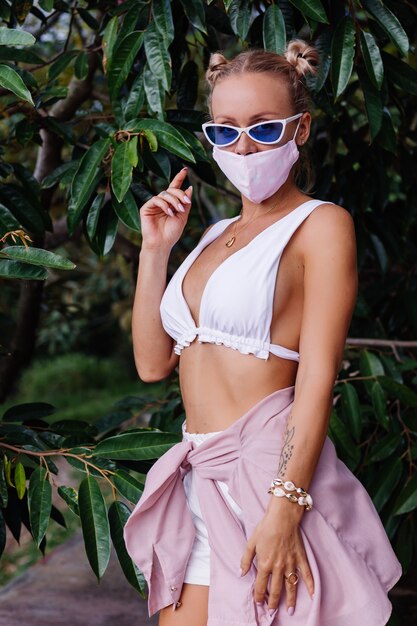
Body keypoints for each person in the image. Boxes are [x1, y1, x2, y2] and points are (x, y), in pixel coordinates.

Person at [123, 40, 402, 626]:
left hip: (267, 482)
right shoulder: (209, 234)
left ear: (300, 130)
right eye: (225, 131)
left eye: (263, 127)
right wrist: (156, 252)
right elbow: (153, 364)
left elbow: (317, 377)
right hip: (197, 479)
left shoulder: (322, 225)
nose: (243, 146)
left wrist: (285, 509)